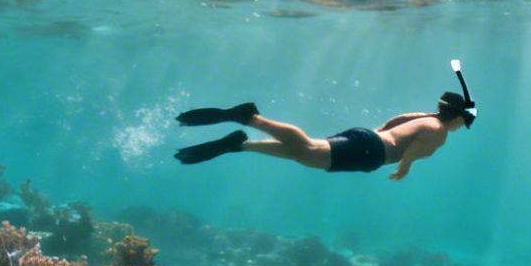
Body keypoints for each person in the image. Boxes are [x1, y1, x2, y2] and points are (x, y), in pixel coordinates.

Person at [174, 92, 473, 179]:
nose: (462, 126)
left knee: (304, 153)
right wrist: (402, 169)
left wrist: (378, 135)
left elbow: (395, 122)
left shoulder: (425, 116)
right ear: (456, 117)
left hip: (368, 139)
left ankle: (240, 145)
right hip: (372, 152)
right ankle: (251, 117)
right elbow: (412, 153)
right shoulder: (438, 131)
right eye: (464, 121)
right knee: (306, 151)